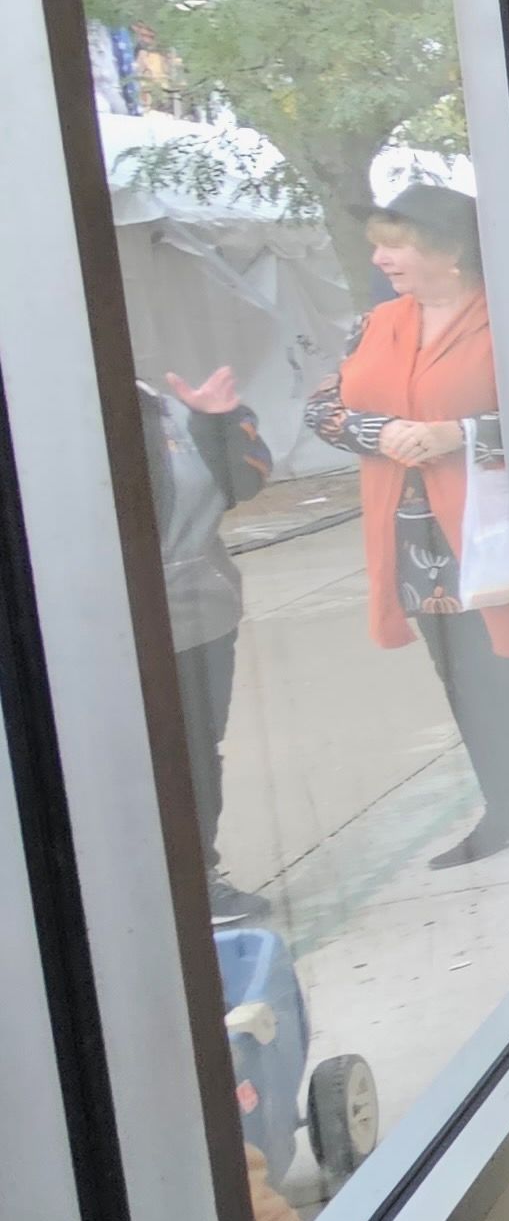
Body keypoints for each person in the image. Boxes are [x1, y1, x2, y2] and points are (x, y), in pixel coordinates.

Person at [306, 185, 509, 865]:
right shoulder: (376, 323)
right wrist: (381, 432)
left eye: (396, 245)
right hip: (418, 534)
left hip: (500, 531)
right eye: (378, 245)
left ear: (451, 250)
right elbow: (322, 410)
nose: (380, 258)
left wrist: (460, 435)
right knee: (466, 676)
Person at [138, 367, 273, 921]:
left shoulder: (161, 406)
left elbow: (243, 483)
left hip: (199, 615)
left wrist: (218, 422)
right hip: (107, 626)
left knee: (194, 751)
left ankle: (197, 879)